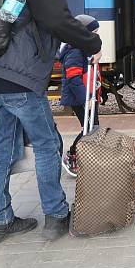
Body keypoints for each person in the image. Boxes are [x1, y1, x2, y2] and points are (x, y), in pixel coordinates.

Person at [0, 0, 102, 245]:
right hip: (19, 79)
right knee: (47, 145)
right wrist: (93, 43)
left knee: (3, 148)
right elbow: (60, 22)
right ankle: (56, 216)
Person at [58, 14, 101, 177]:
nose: (96, 37)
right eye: (93, 33)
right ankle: (72, 156)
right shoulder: (75, 52)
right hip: (79, 98)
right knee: (89, 128)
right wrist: (86, 100)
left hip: (87, 96)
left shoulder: (83, 48)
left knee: (93, 127)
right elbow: (73, 78)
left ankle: (86, 157)